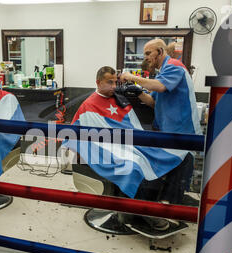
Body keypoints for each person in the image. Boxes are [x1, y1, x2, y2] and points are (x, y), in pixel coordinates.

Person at [65, 66, 191, 235]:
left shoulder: (119, 100)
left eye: (116, 82)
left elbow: (134, 127)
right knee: (134, 166)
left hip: (131, 142)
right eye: (109, 82)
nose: (114, 86)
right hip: (107, 148)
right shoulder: (88, 105)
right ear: (98, 82)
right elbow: (73, 133)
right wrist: (83, 151)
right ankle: (144, 212)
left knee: (182, 154)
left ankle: (164, 204)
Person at [119, 39, 201, 135]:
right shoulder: (162, 72)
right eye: (145, 54)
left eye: (148, 53)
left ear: (160, 51)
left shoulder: (174, 65)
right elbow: (153, 102)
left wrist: (131, 77)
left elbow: (160, 86)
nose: (145, 58)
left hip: (182, 129)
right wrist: (138, 92)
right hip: (167, 128)